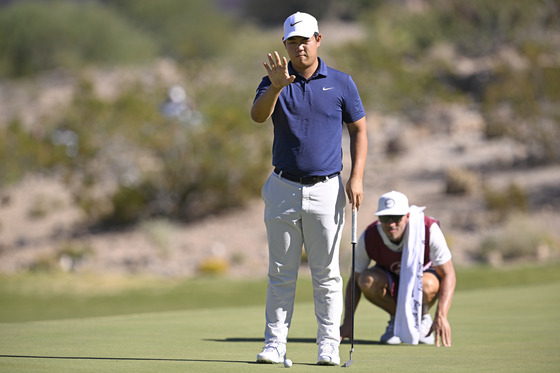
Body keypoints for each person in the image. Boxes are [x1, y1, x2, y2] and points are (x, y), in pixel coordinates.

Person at [251, 11, 368, 366]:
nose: (299, 46)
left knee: (327, 274)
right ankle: (275, 344)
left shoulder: (342, 83)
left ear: (318, 40)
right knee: (281, 274)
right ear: (285, 45)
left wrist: (357, 176)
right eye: (292, 41)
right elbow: (258, 116)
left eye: (305, 40)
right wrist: (275, 87)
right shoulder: (273, 80)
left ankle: (328, 345)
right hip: (283, 187)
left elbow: (359, 130)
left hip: (327, 190)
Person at [340, 191, 456, 347]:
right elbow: (354, 280)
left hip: (423, 279)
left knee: (427, 285)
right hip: (389, 280)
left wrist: (441, 316)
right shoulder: (370, 236)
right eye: (385, 218)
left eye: (396, 218)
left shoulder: (428, 229)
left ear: (407, 216)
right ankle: (397, 321)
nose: (391, 224)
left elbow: (449, 274)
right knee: (365, 281)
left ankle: (422, 319)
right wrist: (347, 322)